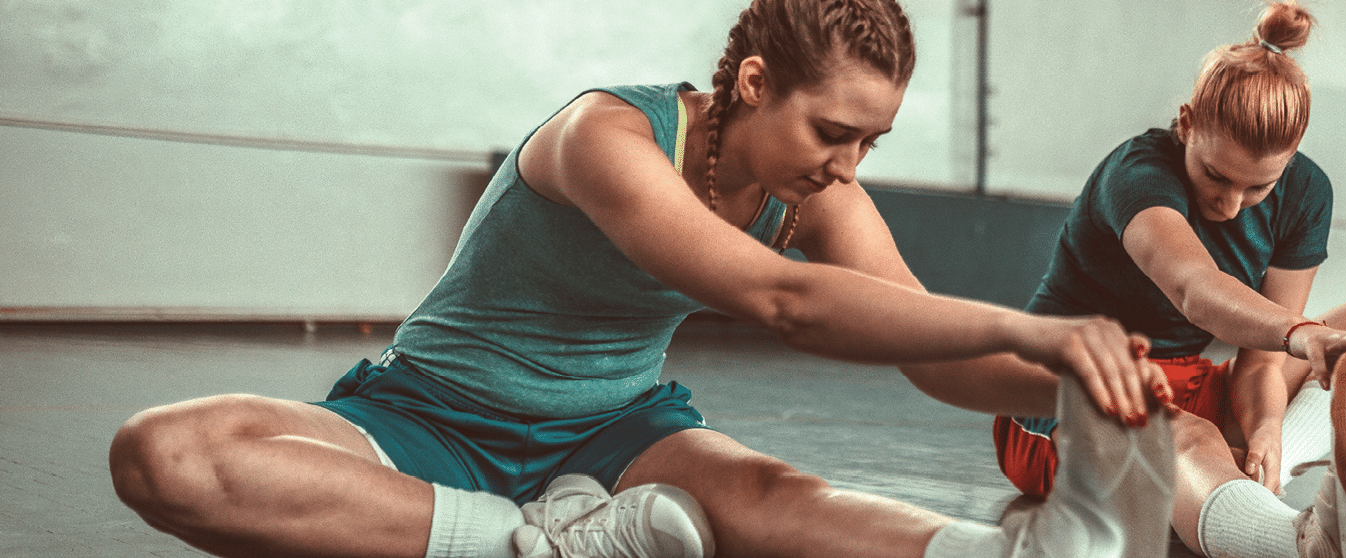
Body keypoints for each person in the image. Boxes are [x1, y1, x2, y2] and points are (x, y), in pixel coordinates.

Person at [105, 1, 1178, 557]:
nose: (849, 165)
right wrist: (1044, 329)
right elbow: (781, 301)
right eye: (834, 130)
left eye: (873, 143)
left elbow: (930, 354)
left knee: (771, 495)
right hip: (429, 411)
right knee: (166, 457)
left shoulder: (818, 193)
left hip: (615, 431)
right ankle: (530, 543)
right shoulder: (607, 136)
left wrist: (1087, 382)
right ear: (756, 82)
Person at [897, 2, 1346, 557]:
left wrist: (1267, 430)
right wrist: (1305, 333)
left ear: (1290, 160)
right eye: (1215, 175)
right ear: (1186, 124)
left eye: (1258, 188)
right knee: (1192, 436)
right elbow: (1196, 292)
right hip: (1069, 389)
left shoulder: (1306, 191)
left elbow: (1260, 361)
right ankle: (1300, 543)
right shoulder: (1137, 172)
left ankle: (1271, 474)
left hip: (1189, 382)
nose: (1232, 205)